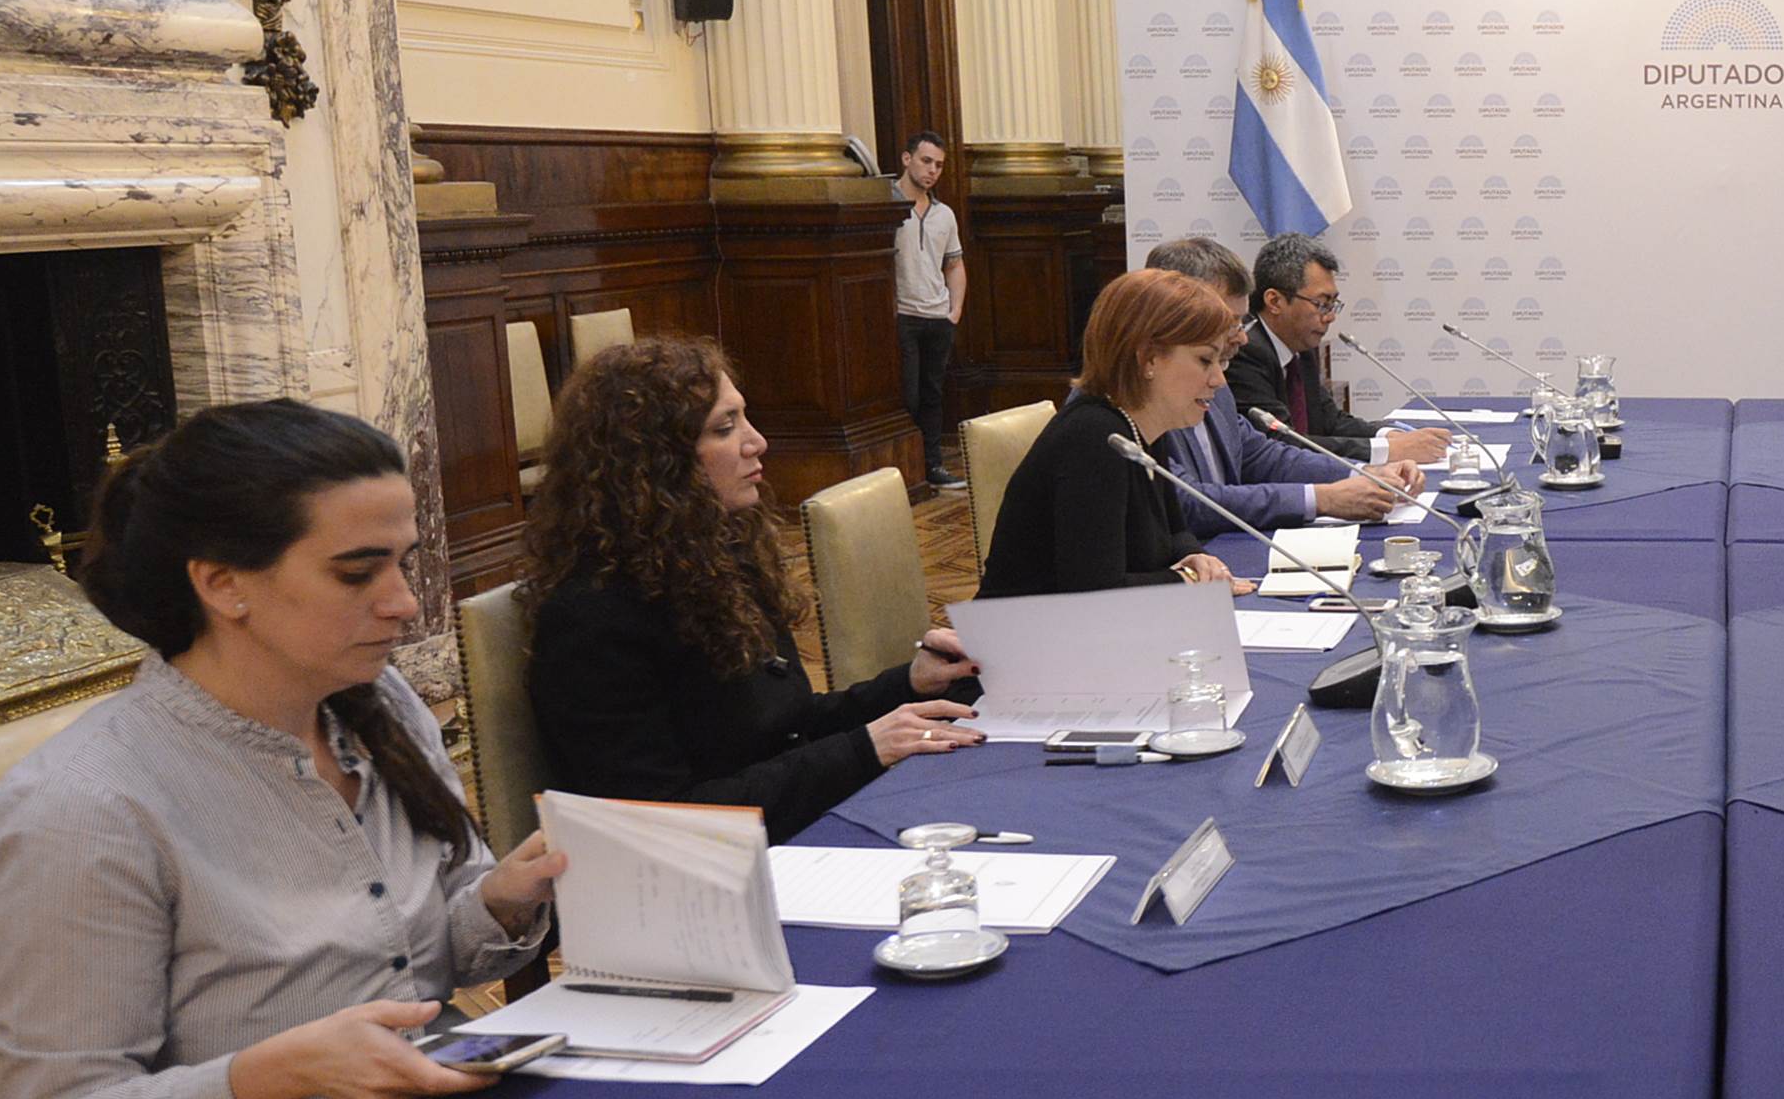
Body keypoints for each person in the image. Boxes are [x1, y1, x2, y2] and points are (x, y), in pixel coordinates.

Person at [0, 400, 565, 1099]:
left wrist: (503, 894)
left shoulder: (377, 708)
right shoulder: (85, 810)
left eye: (404, 560)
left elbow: (420, 965)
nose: (408, 602)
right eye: (357, 570)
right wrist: (277, 1074)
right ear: (221, 584)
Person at [526, 336, 984, 843]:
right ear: (655, 460)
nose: (757, 441)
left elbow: (788, 728)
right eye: (725, 428)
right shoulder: (592, 617)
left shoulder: (714, 554)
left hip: (781, 841)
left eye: (745, 418)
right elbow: (661, 821)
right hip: (696, 888)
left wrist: (910, 685)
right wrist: (864, 749)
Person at [981, 267, 1255, 598]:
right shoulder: (1094, 438)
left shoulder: (1142, 427)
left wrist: (1198, 558)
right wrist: (1190, 580)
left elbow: (1174, 531)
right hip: (1025, 638)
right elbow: (1097, 593)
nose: (1218, 380)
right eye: (1205, 360)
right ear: (1148, 357)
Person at [1144, 236, 1423, 534]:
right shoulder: (1132, 404)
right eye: (1230, 322)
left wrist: (1365, 473)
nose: (1242, 337)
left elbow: (1261, 455)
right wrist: (1322, 499)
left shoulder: (1217, 383)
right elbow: (1187, 503)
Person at [1224, 233, 1450, 465]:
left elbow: (1329, 421)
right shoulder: (1245, 351)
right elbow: (1281, 444)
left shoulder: (1302, 346)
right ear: (1275, 301)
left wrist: (1389, 435)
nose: (1330, 316)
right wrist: (1386, 450)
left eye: (1333, 304)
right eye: (1321, 304)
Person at [890, 130, 968, 489]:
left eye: (938, 165)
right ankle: (907, 469)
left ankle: (933, 465)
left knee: (934, 393)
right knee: (908, 394)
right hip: (904, 315)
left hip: (938, 317)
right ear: (907, 159)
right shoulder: (885, 205)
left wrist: (954, 312)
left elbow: (954, 264)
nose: (932, 170)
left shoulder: (945, 214)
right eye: (926, 161)